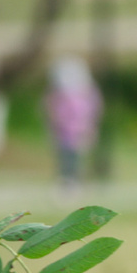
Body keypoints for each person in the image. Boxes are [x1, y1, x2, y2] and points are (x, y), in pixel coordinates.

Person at [45, 56, 104, 193]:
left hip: (79, 131)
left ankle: (75, 182)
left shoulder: (86, 92)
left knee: (77, 159)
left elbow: (94, 109)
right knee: (65, 159)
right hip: (63, 132)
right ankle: (66, 182)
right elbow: (51, 110)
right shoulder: (57, 94)